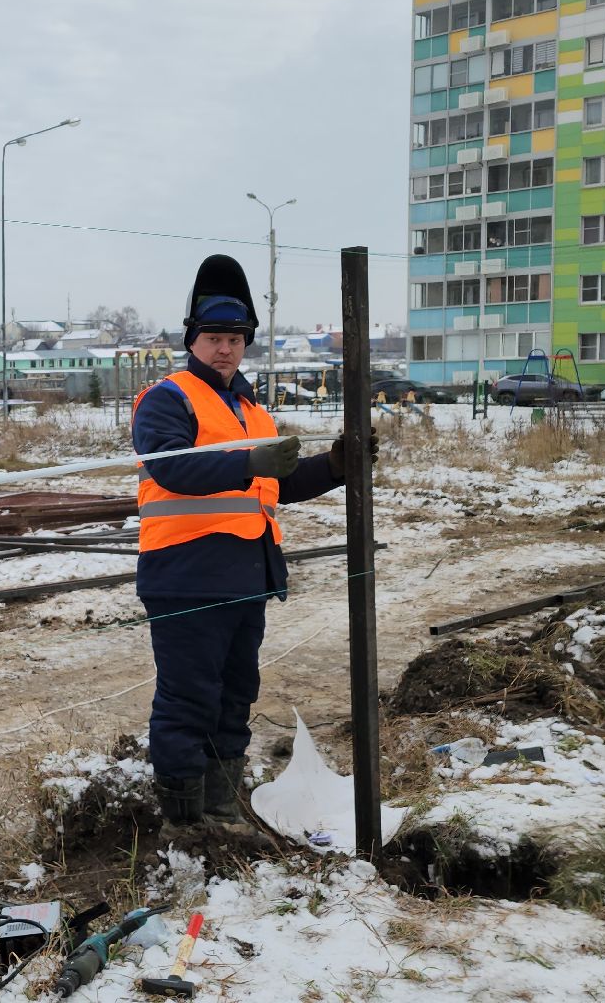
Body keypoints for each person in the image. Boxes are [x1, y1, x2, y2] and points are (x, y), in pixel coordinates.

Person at [129, 254, 376, 837]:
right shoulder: (168, 399)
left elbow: (277, 484)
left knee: (234, 698)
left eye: (236, 339)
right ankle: (184, 825)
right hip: (185, 575)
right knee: (188, 700)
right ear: (194, 340)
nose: (226, 349)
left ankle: (220, 810)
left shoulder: (250, 409)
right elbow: (175, 471)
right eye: (215, 337)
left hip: (245, 575)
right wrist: (250, 460)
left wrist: (335, 466)